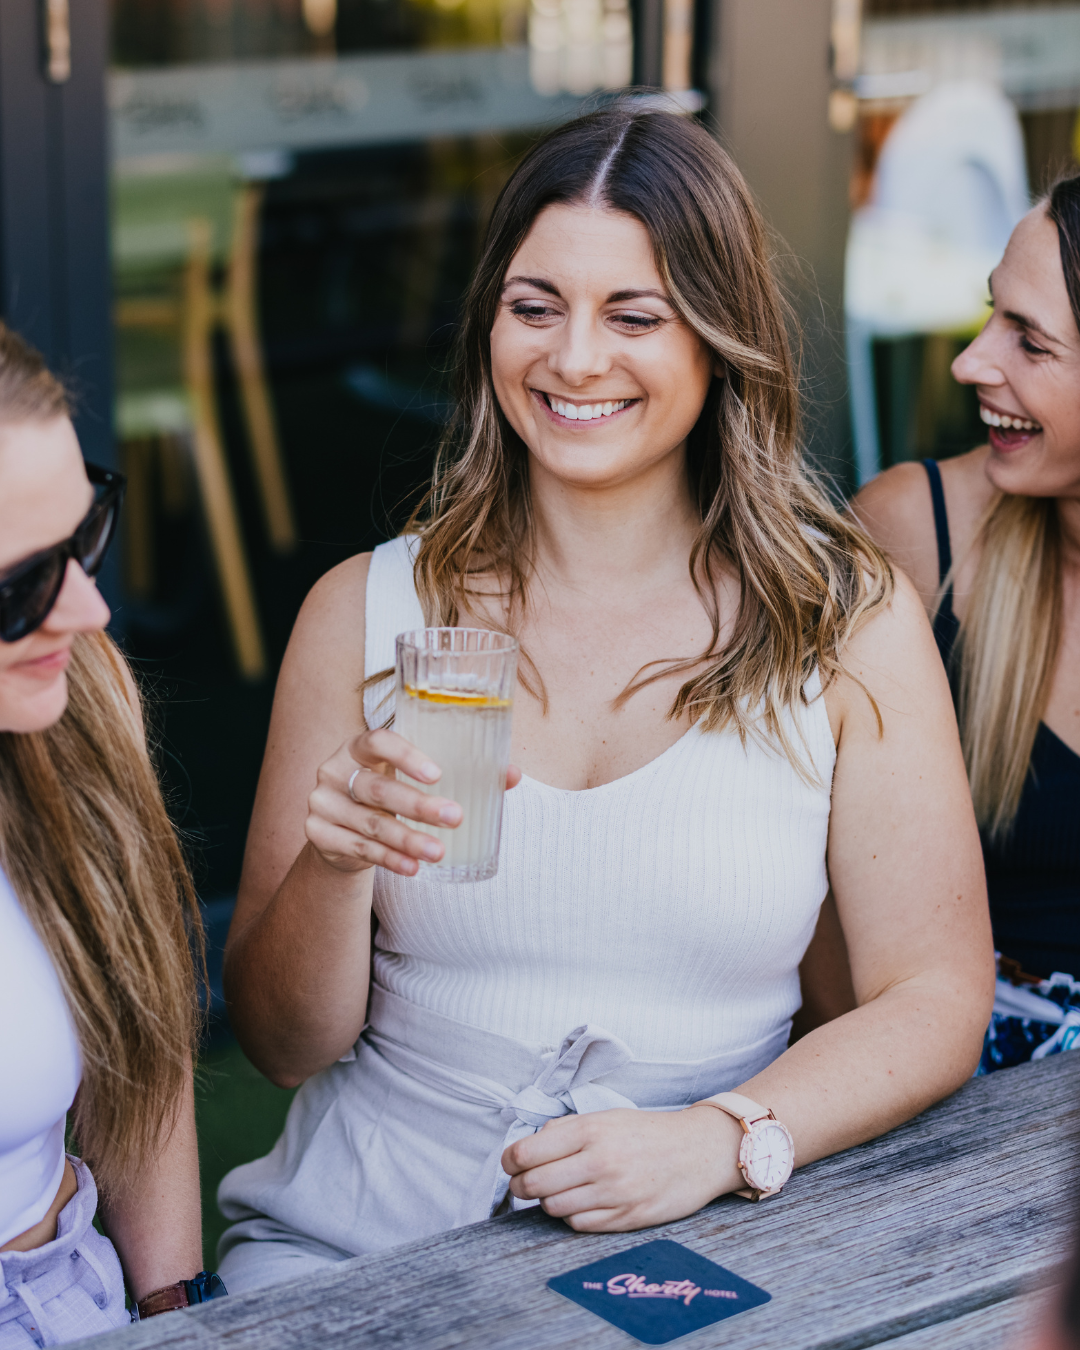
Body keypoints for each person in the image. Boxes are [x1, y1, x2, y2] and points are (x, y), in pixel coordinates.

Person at [218, 105, 994, 1292]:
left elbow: (935, 996)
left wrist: (725, 1137)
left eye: (635, 315)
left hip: (688, 1256)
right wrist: (336, 864)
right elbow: (280, 1046)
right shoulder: (369, 611)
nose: (575, 359)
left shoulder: (845, 623)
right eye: (536, 308)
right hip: (358, 1246)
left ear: (719, 340)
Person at [0, 324, 220, 1345]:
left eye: (82, 540)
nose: (85, 609)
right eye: (18, 587)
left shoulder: (74, 705)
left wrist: (176, 1311)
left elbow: (145, 1056)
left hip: (74, 1297)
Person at [855, 174, 1080, 1073]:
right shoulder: (915, 534)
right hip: (962, 1097)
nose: (970, 362)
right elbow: (821, 902)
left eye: (1029, 341)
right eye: (995, 317)